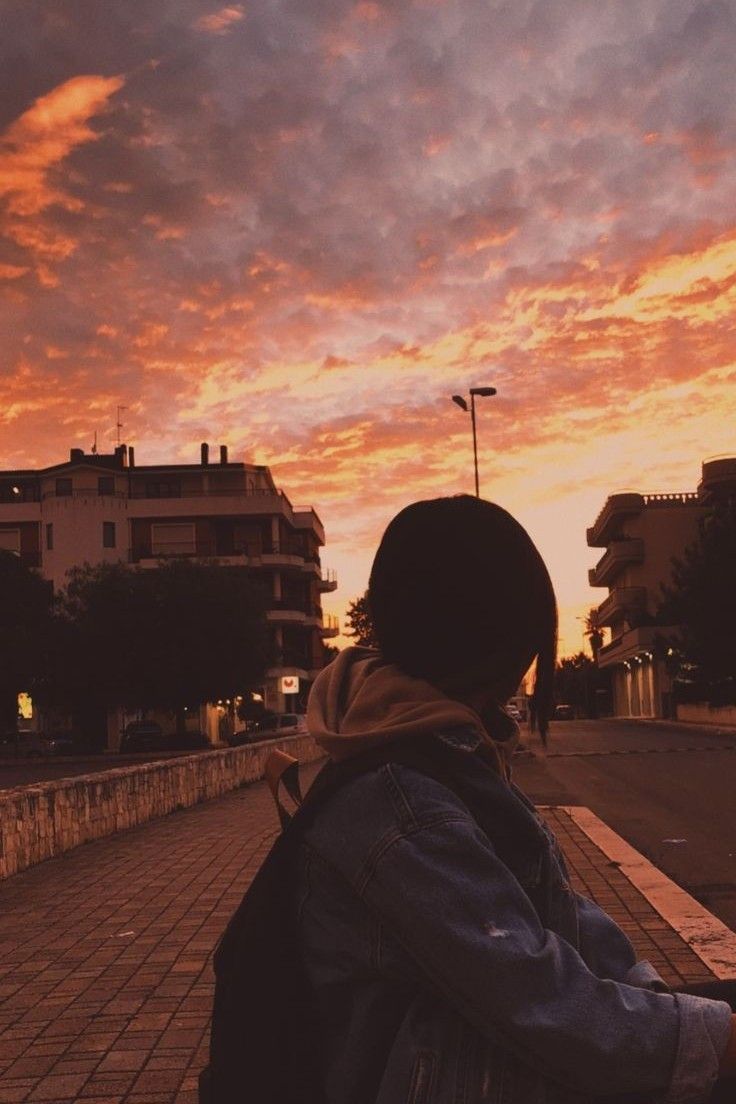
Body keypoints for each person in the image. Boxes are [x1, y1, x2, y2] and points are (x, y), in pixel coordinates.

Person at [298, 495, 736, 1103]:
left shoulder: (439, 755)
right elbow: (538, 1000)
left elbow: (557, 915)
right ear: (495, 641)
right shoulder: (405, 806)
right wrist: (712, 1041)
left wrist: (656, 998)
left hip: (469, 1053)